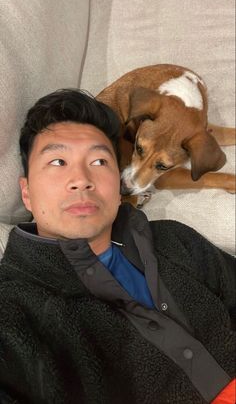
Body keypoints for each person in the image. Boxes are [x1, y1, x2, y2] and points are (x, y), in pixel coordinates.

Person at [0, 89, 235, 404]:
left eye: (99, 160)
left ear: (118, 183)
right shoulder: (13, 305)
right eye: (58, 161)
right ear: (26, 193)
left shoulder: (175, 239)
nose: (81, 179)